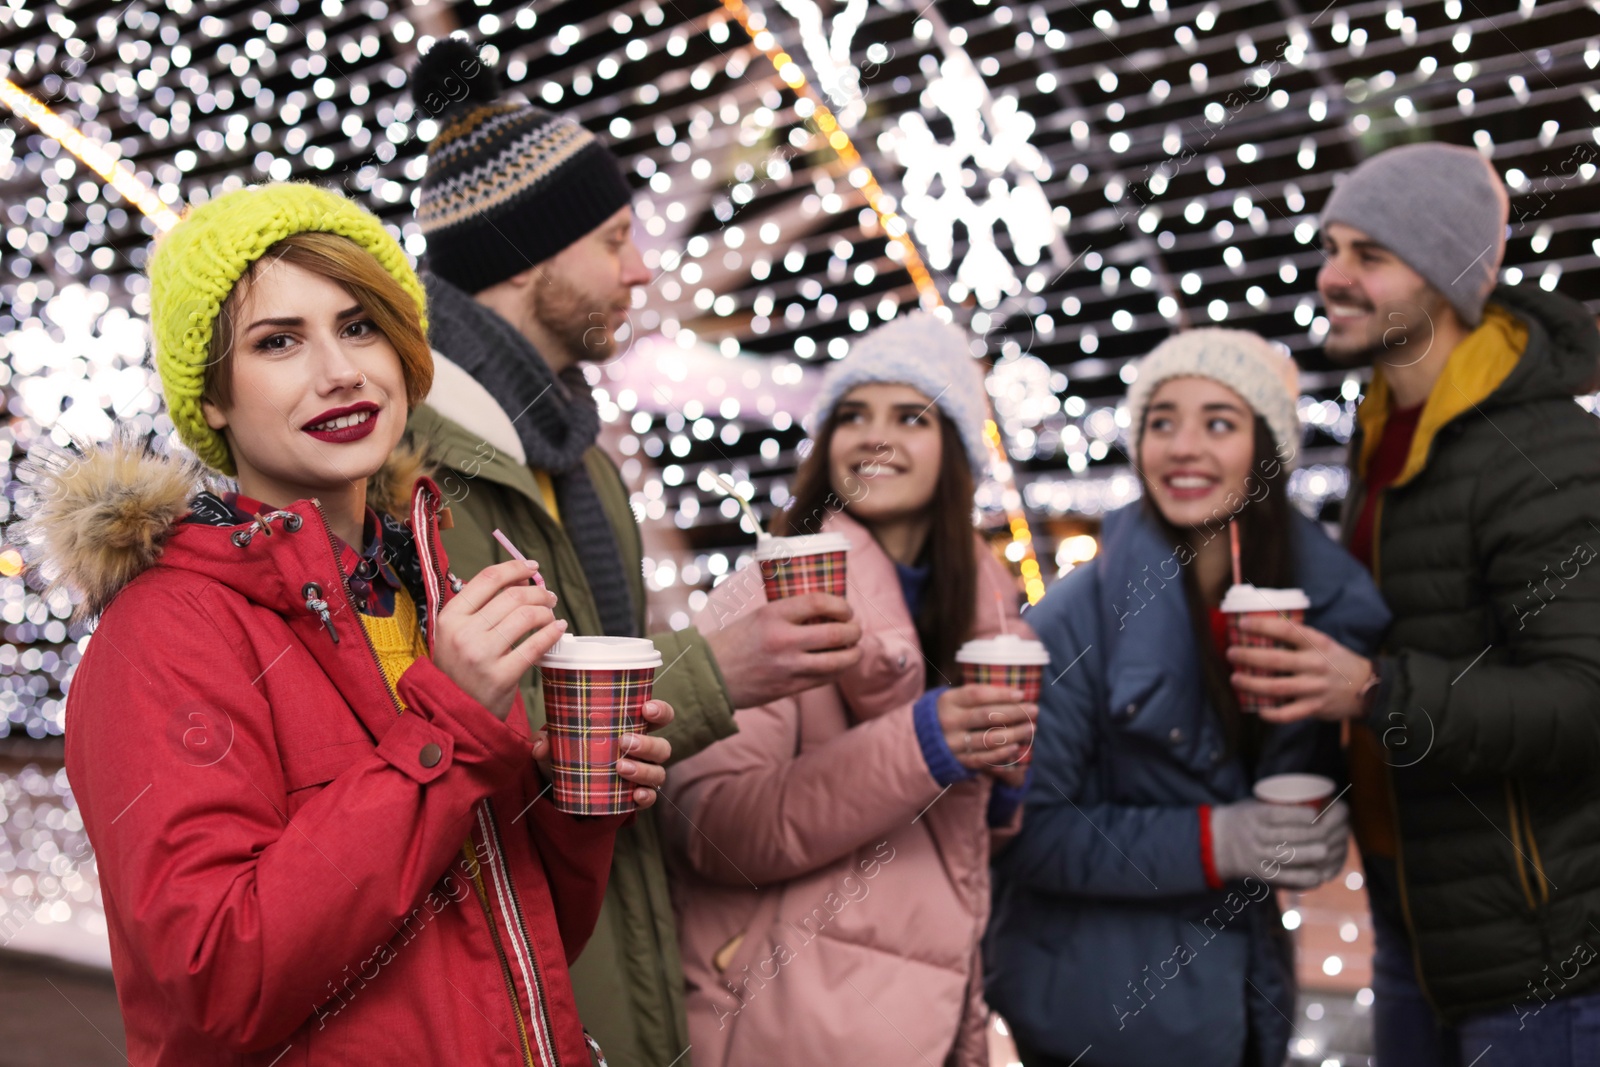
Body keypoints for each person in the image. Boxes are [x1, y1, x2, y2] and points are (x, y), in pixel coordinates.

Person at [18, 182, 674, 1064]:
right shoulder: (165, 633)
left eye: (360, 326)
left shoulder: (426, 590)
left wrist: (568, 808)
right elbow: (214, 980)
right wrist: (448, 722)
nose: (340, 370)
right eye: (278, 341)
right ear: (211, 398)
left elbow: (516, 937)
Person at [400, 40, 864, 1066]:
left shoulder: (572, 445)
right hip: (512, 966)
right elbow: (475, 743)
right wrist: (716, 668)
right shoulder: (417, 464)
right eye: (613, 239)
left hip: (613, 937)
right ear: (527, 256)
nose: (643, 266)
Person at [1228, 142, 1600, 1065]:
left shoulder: (1545, 453)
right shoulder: (1385, 430)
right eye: (1332, 248)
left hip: (1540, 955)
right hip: (1416, 921)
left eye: (1370, 255)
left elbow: (1584, 697)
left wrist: (1372, 690)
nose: (1334, 276)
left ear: (1443, 277)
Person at [986, 329, 1389, 1067]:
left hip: (1241, 1000)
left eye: (1219, 422)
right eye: (1161, 421)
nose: (1182, 446)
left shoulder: (1318, 608)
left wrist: (1313, 824)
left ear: (1266, 449)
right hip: (1097, 1013)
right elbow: (1027, 830)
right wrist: (1216, 839)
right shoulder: (1073, 619)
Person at [659, 312, 1037, 1066]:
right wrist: (923, 743)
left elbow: (950, 859)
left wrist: (999, 795)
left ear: (956, 449)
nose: (875, 435)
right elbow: (709, 827)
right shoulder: (766, 596)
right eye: (853, 415)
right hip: (779, 1023)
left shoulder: (991, 614)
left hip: (923, 1025)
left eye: (910, 416)